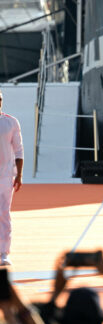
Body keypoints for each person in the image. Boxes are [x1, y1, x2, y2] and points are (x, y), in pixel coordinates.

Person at [0, 89, 24, 266]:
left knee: (3, 214)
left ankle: (3, 252)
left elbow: (19, 150)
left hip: (5, 176)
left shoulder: (11, 122)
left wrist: (19, 174)